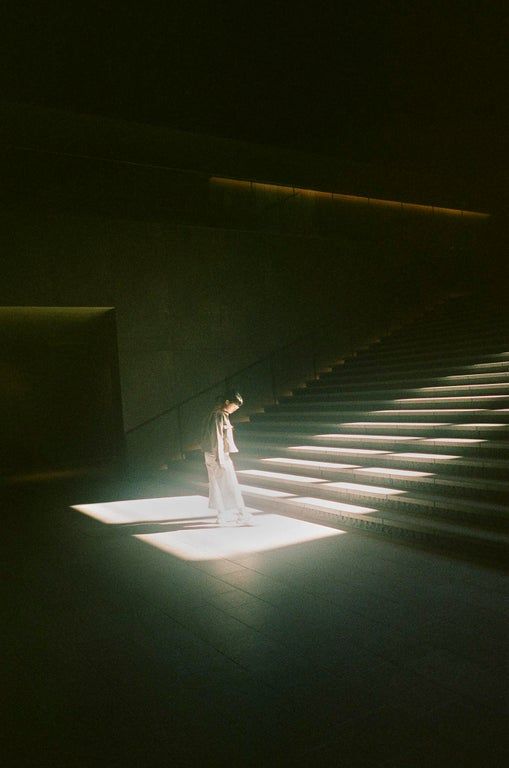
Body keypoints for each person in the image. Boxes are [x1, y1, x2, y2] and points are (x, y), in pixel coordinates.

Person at [201, 391, 254, 526]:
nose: (235, 408)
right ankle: (242, 514)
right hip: (218, 455)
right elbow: (217, 438)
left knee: (216, 485)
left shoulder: (215, 413)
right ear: (227, 402)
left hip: (211, 455)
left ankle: (222, 515)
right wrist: (221, 459)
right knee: (231, 485)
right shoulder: (219, 415)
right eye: (234, 405)